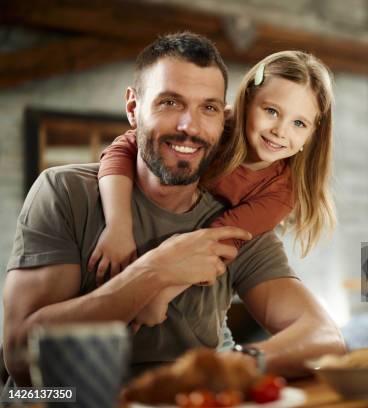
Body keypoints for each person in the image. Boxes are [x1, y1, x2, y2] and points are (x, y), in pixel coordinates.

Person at [2, 32, 345, 388]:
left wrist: (236, 363)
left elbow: (324, 336)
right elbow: (21, 360)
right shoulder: (65, 192)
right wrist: (154, 271)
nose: (190, 126)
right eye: (170, 103)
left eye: (207, 107)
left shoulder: (249, 217)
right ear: (133, 108)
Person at [89, 50, 336, 327]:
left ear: (312, 134)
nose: (280, 130)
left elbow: (220, 239)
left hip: (201, 297)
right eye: (271, 111)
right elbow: (125, 147)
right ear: (246, 101)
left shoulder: (282, 192)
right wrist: (118, 226)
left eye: (299, 123)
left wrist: (159, 295)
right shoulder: (213, 129)